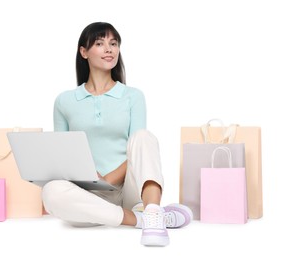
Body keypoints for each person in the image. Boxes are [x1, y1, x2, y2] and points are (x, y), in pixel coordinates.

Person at [42, 22, 193, 247]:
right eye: (100, 43)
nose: (109, 49)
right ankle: (145, 219)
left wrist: (107, 180)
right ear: (83, 52)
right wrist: (90, 183)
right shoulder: (64, 101)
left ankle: (151, 208)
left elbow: (137, 150)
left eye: (113, 43)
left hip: (129, 191)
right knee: (51, 191)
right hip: (88, 197)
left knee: (144, 137)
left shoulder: (133, 96)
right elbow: (62, 156)